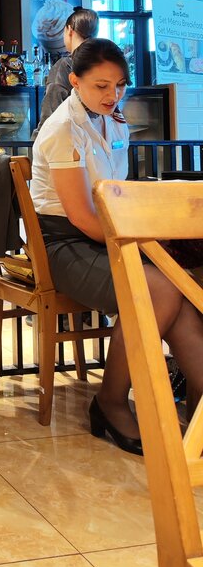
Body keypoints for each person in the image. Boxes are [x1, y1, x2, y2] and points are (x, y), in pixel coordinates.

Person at [31, 37, 203, 454]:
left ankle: (200, 403)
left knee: (182, 284)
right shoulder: (62, 129)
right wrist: (141, 242)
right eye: (101, 86)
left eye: (120, 85)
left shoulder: (115, 120)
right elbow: (81, 216)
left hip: (108, 232)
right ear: (75, 81)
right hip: (65, 244)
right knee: (160, 288)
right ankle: (110, 401)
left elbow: (117, 191)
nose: (113, 94)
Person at [33, 7, 99, 138]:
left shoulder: (65, 66)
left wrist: (37, 141)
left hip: (70, 141)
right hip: (100, 140)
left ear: (69, 30)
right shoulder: (104, 64)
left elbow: (50, 114)